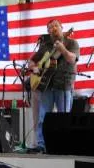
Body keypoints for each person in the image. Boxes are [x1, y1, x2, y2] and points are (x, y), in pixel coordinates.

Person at [28, 19, 80, 153]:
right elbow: (31, 61)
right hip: (46, 85)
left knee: (64, 117)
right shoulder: (45, 45)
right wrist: (34, 68)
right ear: (48, 31)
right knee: (42, 117)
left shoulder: (71, 42)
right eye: (50, 27)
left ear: (62, 27)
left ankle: (63, 145)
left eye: (56, 25)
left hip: (64, 83)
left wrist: (62, 49)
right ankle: (41, 145)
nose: (54, 28)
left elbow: (72, 59)